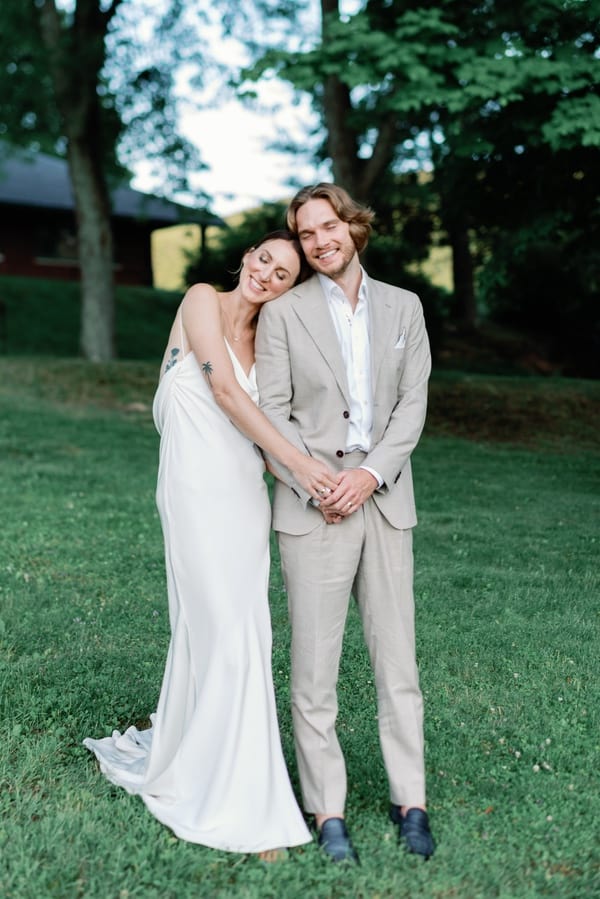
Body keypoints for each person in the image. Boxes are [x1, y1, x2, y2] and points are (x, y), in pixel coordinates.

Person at [83, 230, 339, 857]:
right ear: (248, 256)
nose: (268, 275)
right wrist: (301, 467)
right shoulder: (201, 300)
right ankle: (229, 796)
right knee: (219, 629)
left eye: (284, 274)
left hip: (243, 502)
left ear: (291, 286)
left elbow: (268, 440)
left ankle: (226, 771)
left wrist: (320, 487)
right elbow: (223, 393)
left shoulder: (272, 345)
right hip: (194, 494)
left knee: (241, 630)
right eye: (264, 260)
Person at [255, 185, 435, 863]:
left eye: (328, 226)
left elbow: (412, 406)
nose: (319, 240)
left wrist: (369, 475)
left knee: (398, 662)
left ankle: (409, 797)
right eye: (305, 234)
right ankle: (326, 807)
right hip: (315, 503)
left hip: (384, 498)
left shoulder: (404, 307)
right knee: (314, 667)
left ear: (352, 227)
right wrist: (316, 479)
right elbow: (271, 408)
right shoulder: (284, 312)